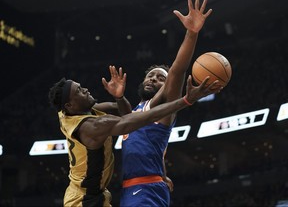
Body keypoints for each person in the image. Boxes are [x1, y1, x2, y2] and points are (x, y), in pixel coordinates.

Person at [48, 65, 221, 207]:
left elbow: (126, 112)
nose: (85, 89)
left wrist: (120, 97)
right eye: (79, 90)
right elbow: (141, 119)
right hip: (84, 200)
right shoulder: (92, 126)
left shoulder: (68, 111)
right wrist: (185, 101)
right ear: (71, 104)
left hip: (89, 193)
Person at [120, 0, 214, 207]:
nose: (153, 78)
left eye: (161, 78)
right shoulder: (138, 109)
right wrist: (163, 174)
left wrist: (191, 33)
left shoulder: (162, 106)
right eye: (150, 75)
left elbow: (178, 71)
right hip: (133, 188)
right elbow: (155, 151)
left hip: (145, 190)